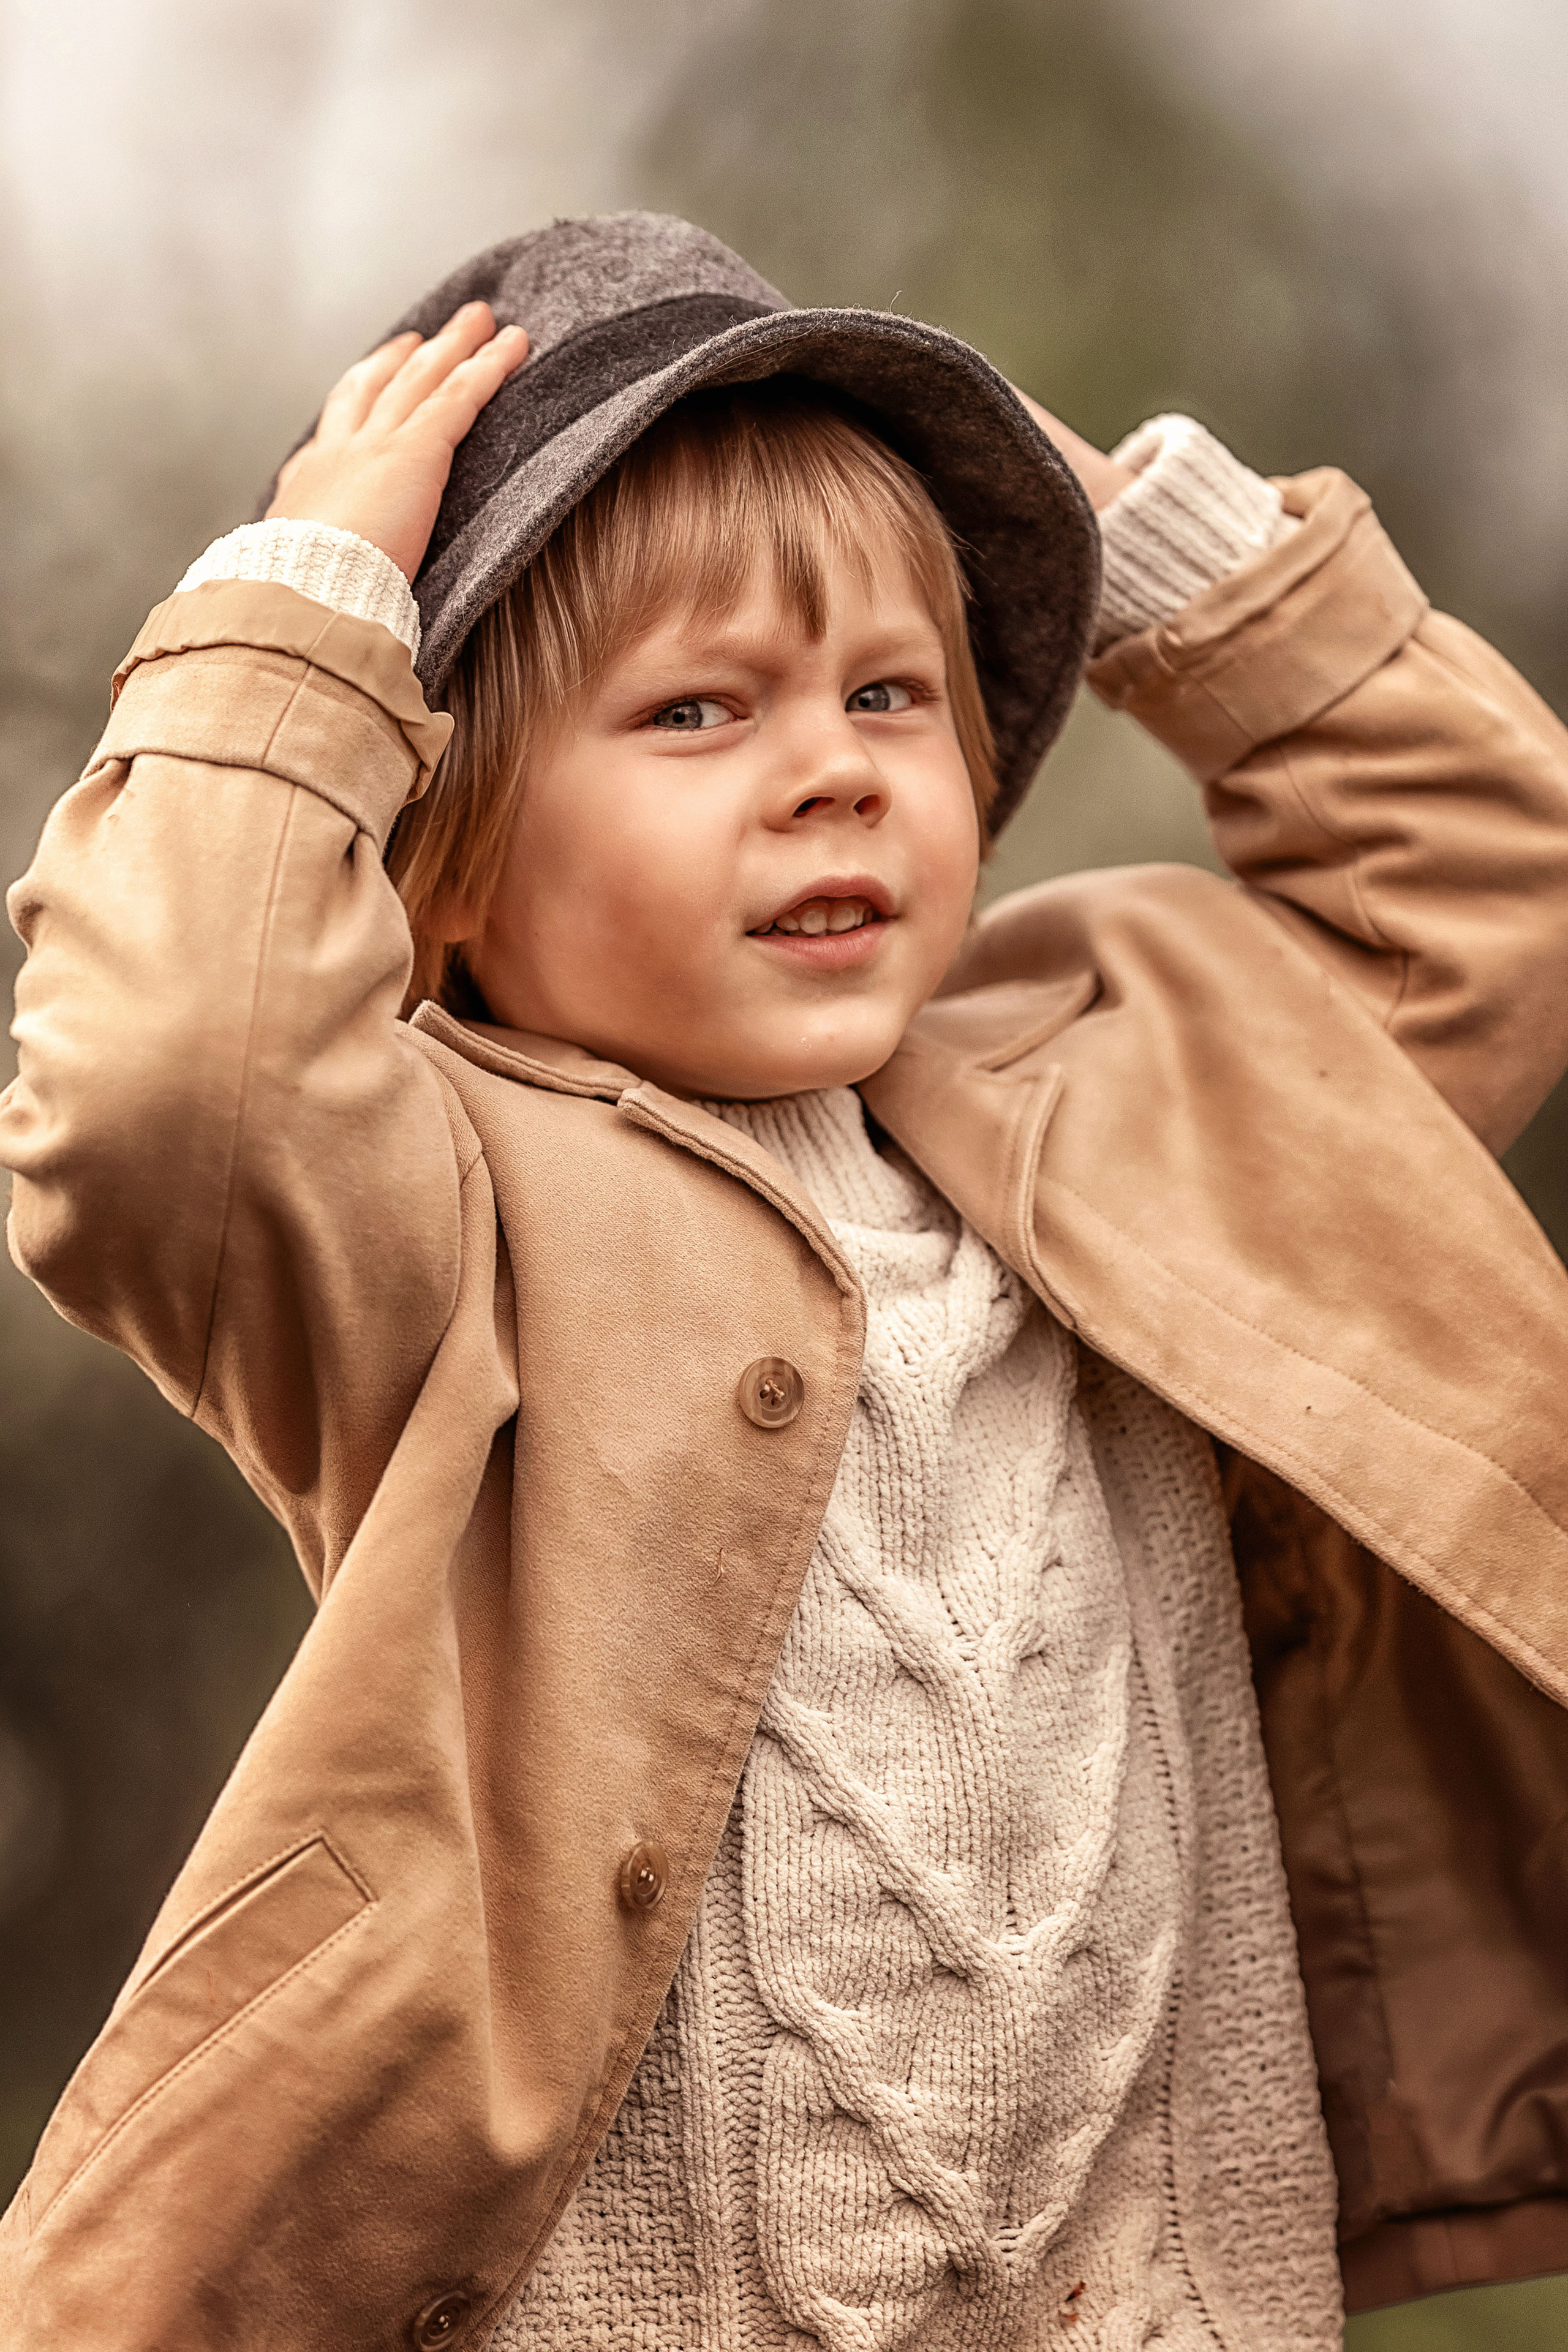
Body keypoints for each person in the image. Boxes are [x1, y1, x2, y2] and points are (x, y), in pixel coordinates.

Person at [4, 209, 1568, 2352]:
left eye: (890, 693)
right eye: (697, 711)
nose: (830, 764)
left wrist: (1132, 541)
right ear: (445, 847)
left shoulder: (1147, 1068)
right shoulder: (427, 1204)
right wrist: (305, 616)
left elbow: (1486, 886)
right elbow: (164, 1081)